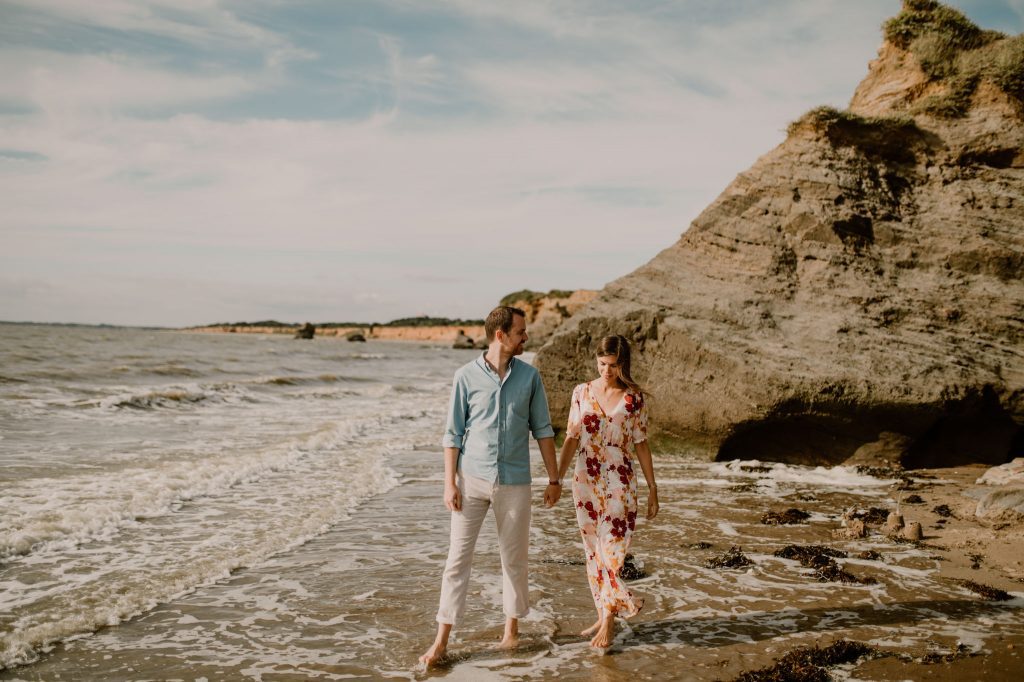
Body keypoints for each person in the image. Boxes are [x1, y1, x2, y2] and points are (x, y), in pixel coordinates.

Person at [419, 306, 562, 666]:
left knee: (514, 561)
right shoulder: (464, 377)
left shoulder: (530, 378)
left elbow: (543, 430)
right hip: (471, 481)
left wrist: (555, 477)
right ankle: (441, 641)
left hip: (515, 482)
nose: (526, 338)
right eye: (520, 333)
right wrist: (448, 482)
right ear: (501, 335)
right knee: (456, 561)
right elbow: (452, 434)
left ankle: (511, 632)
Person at [555, 334, 659, 648]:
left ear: (622, 363)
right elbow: (572, 438)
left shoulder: (634, 398)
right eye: (601, 363)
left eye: (613, 365)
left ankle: (611, 619)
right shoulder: (581, 392)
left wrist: (654, 489)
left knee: (611, 550)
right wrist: (555, 480)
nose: (606, 370)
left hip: (621, 479)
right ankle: (603, 611)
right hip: (585, 478)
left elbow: (641, 443)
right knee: (592, 550)